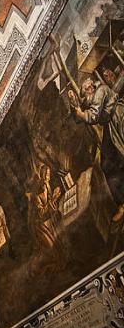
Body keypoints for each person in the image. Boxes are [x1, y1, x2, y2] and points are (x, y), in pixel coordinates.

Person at [68, 78, 124, 222]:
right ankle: (122, 203)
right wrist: (73, 101)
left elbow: (92, 116)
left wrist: (81, 113)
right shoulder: (92, 98)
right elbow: (79, 114)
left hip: (118, 118)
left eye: (85, 92)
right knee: (106, 164)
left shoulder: (101, 90)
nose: (86, 97)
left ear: (90, 88)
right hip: (110, 126)